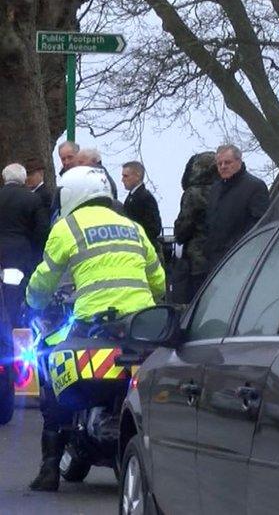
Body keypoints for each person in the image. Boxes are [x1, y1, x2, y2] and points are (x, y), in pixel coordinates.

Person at [25, 166, 165, 492]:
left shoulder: (67, 227)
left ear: (71, 194)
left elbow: (44, 279)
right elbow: (158, 280)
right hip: (140, 329)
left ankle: (49, 469)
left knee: (55, 372)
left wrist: (31, 302)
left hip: (94, 325)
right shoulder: (133, 226)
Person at [204, 144, 270, 271]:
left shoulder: (255, 187)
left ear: (239, 161)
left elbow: (259, 224)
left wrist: (235, 248)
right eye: (219, 164)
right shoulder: (215, 189)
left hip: (241, 261)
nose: (223, 166)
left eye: (227, 162)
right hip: (214, 262)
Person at [0, 164, 49, 327]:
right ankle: (18, 326)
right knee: (17, 294)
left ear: (4, 178)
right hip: (21, 254)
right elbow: (42, 229)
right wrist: (34, 250)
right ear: (23, 179)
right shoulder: (33, 198)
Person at [173, 152, 217, 302]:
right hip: (221, 257)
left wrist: (178, 231)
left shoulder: (193, 193)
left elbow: (184, 227)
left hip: (196, 258)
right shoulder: (223, 189)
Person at [121, 161, 162, 243]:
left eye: (125, 176)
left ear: (137, 176)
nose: (122, 180)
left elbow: (154, 228)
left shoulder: (146, 198)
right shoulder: (131, 197)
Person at [50, 142, 80, 220]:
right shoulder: (62, 179)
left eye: (70, 157)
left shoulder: (89, 176)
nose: (66, 162)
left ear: (78, 155)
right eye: (63, 159)